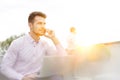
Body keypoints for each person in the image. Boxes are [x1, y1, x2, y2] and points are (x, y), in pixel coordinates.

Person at [0, 11, 67, 80]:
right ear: (30, 25)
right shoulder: (18, 43)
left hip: (39, 78)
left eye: (44, 24)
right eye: (39, 23)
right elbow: (4, 67)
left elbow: (63, 58)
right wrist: (22, 78)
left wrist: (54, 38)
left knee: (58, 77)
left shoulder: (45, 44)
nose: (43, 27)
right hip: (21, 78)